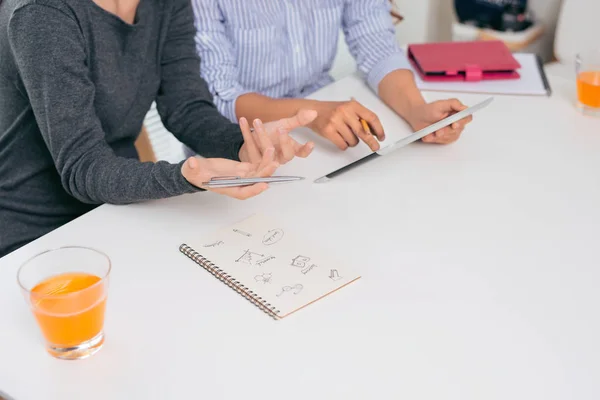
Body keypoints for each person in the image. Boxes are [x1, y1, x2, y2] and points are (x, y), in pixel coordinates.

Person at [0, 0, 316, 257]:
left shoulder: (166, 5)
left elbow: (186, 108)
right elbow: (83, 167)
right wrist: (183, 176)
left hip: (119, 206)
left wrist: (243, 144)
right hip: (34, 235)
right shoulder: (42, 13)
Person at [192, 0, 474, 152]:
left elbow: (375, 41)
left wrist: (416, 109)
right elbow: (220, 96)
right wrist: (311, 112)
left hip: (324, 134)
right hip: (235, 145)